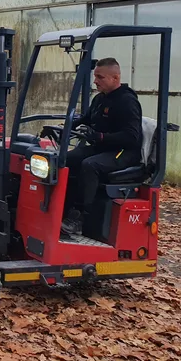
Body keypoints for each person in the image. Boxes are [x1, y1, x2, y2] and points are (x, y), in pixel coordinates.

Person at [61, 57, 143, 236]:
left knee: (90, 165)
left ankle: (80, 218)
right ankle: (61, 208)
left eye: (100, 77)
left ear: (115, 78)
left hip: (124, 151)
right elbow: (86, 119)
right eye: (95, 76)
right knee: (67, 159)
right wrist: (66, 128)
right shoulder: (100, 99)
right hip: (103, 147)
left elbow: (131, 137)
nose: (95, 81)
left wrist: (100, 136)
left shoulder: (127, 101)